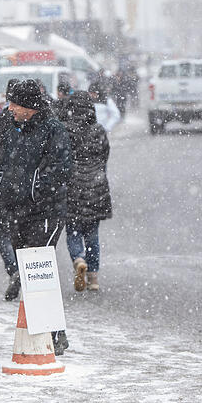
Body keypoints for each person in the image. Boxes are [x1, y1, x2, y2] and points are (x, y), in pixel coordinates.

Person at [0, 79, 71, 354]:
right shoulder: (14, 127)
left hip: (45, 211)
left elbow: (60, 170)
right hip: (17, 209)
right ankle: (42, 329)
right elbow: (1, 161)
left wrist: (33, 190)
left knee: (40, 268)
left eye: (15, 103)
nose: (10, 108)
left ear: (29, 107)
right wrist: (1, 187)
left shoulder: (53, 130)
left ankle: (55, 334)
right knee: (28, 269)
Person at [61, 92, 112, 292]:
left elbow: (61, 159)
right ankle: (93, 277)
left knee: (73, 230)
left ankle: (78, 259)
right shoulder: (98, 130)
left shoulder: (65, 131)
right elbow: (105, 156)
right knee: (92, 233)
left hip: (72, 187)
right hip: (96, 187)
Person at [0, 78, 20, 302]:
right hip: (27, 189)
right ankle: (29, 273)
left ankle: (14, 269)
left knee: (3, 233)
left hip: (2, 187)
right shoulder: (32, 123)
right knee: (24, 234)